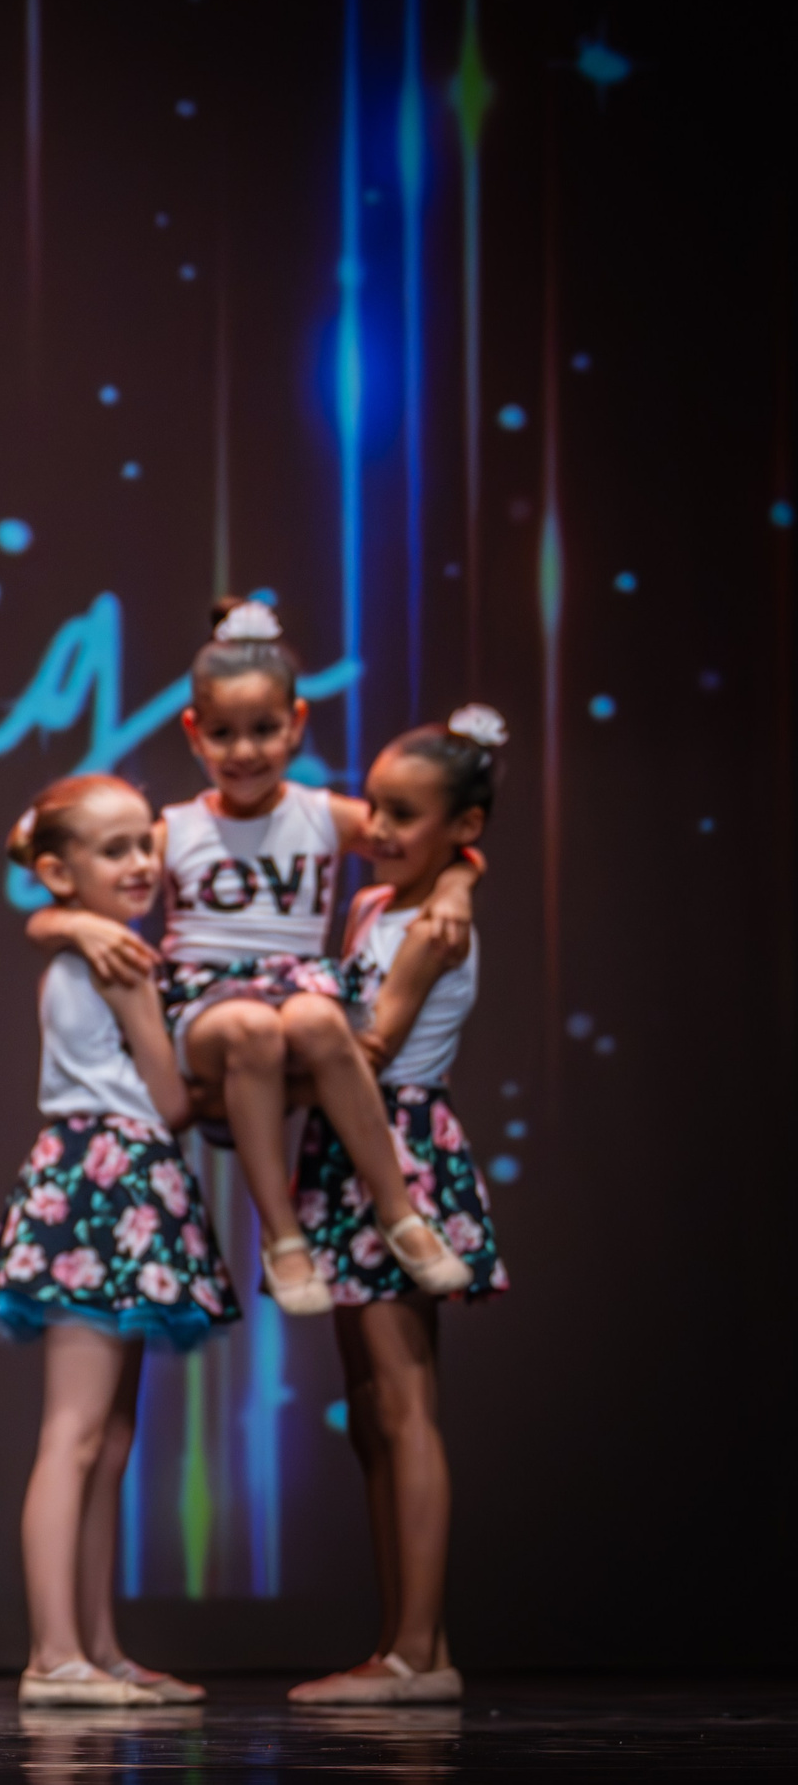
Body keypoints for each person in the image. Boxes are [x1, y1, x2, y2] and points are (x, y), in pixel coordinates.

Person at [28, 598, 480, 1317]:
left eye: (265, 731)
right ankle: (282, 1233)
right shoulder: (173, 827)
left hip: (300, 984)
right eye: (224, 734)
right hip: (207, 1003)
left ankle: (401, 1216)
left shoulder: (322, 814)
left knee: (318, 1021)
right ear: (194, 735)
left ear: (297, 724)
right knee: (252, 1029)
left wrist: (459, 881)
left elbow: (425, 842)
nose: (245, 751)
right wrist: (68, 926)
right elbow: (54, 869)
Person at [0, 775, 242, 1707]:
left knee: (111, 1435)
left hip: (117, 1179)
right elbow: (169, 1099)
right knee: (78, 1431)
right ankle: (55, 1654)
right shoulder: (120, 956)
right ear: (58, 871)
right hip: (106, 1180)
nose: (142, 863)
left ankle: (97, 1646)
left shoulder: (95, 944)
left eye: (145, 843)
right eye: (115, 849)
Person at [289, 707, 511, 1706]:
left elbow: (366, 1049)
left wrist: (271, 1055)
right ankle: (401, 1639)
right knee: (373, 1409)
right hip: (348, 1143)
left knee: (404, 1398)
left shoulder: (434, 923)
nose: (376, 823)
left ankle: (421, 1650)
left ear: (461, 825)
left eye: (405, 812)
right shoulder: (379, 901)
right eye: (372, 803)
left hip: (397, 1142)